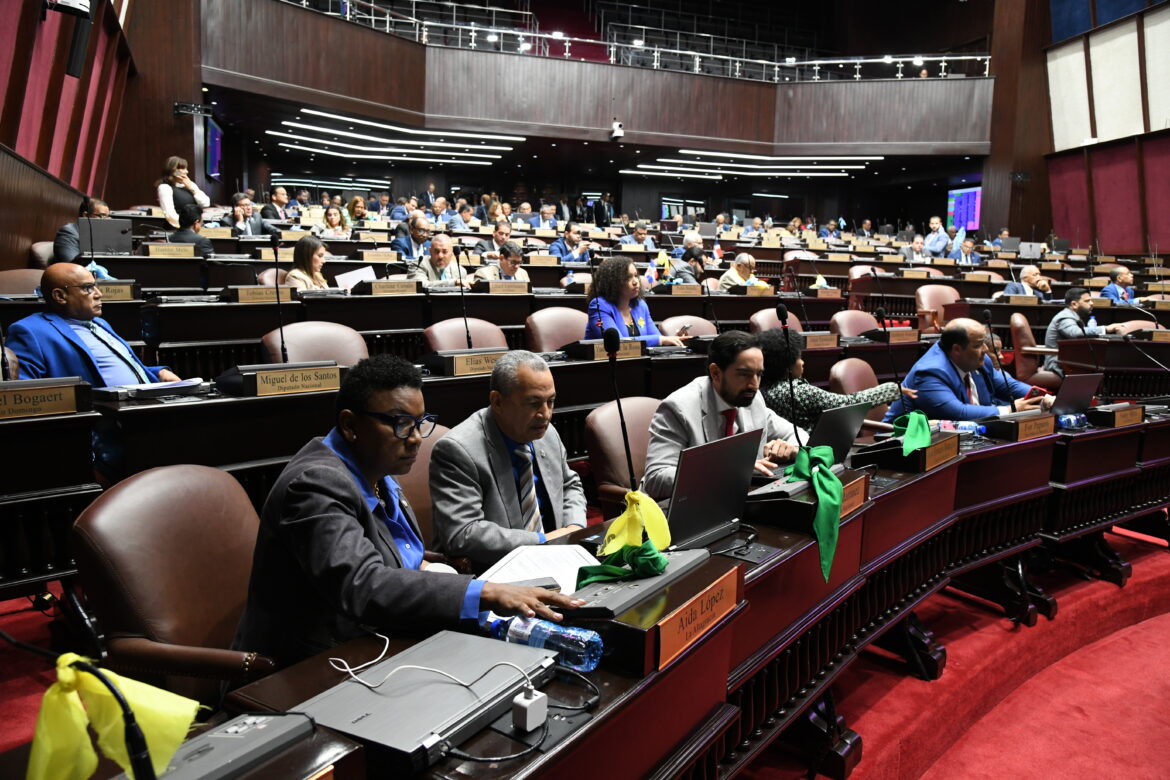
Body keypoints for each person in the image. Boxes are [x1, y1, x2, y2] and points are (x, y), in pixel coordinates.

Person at [233, 355, 579, 667]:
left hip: (382, 638)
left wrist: (431, 566)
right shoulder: (314, 485)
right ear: (350, 425)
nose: (415, 438)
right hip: (309, 668)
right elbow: (363, 584)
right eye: (401, 423)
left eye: (419, 422)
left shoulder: (376, 468)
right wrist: (484, 591)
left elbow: (390, 550)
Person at [430, 351, 588, 570]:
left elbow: (569, 484)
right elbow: (462, 533)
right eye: (533, 403)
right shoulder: (458, 450)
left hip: (558, 557)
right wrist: (542, 541)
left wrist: (574, 526)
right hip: (496, 570)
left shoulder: (547, 433)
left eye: (550, 401)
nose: (546, 414)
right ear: (497, 401)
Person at [643, 330, 805, 499]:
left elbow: (799, 436)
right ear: (715, 373)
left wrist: (791, 449)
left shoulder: (752, 398)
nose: (754, 385)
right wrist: (727, 472)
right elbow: (656, 478)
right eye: (744, 374)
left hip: (738, 500)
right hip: (686, 504)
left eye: (759, 374)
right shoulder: (678, 408)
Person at [8, 264, 178, 386]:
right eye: (88, 288)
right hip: (102, 417)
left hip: (144, 402)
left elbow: (120, 367)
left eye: (96, 286)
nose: (99, 294)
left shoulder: (99, 323)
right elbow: (26, 392)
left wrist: (159, 372)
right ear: (60, 296)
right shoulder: (30, 331)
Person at [884, 318, 1046, 422]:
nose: (985, 350)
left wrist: (1044, 398)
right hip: (904, 447)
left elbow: (1008, 386)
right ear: (957, 349)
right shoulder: (930, 372)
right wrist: (1011, 409)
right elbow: (958, 414)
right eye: (978, 345)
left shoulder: (979, 360)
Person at [759, 329, 913, 430]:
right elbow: (848, 404)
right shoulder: (799, 391)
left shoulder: (762, 390)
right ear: (787, 366)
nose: (803, 362)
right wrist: (891, 389)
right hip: (811, 452)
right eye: (799, 358)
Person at [584, 257, 688, 347]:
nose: (635, 281)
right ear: (612, 282)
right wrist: (661, 340)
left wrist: (672, 340)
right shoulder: (599, 305)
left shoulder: (640, 305)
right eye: (628, 278)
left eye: (635, 276)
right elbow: (618, 343)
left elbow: (655, 337)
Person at [1043, 288, 1124, 376]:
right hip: (1057, 364)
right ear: (1074, 304)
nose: (1092, 303)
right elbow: (1076, 333)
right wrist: (1105, 329)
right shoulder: (1065, 317)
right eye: (1087, 301)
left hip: (1068, 360)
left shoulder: (1072, 316)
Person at [155, 155, 210, 228]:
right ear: (173, 171)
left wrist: (191, 187)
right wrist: (186, 228)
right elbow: (170, 214)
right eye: (183, 168)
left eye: (186, 168)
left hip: (194, 228)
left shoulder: (190, 185)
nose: (186, 171)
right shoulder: (165, 187)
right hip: (177, 229)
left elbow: (205, 203)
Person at [53, 198, 110, 264]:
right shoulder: (68, 232)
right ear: (85, 215)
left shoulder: (99, 234)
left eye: (107, 217)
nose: (106, 221)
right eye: (102, 216)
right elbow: (72, 264)